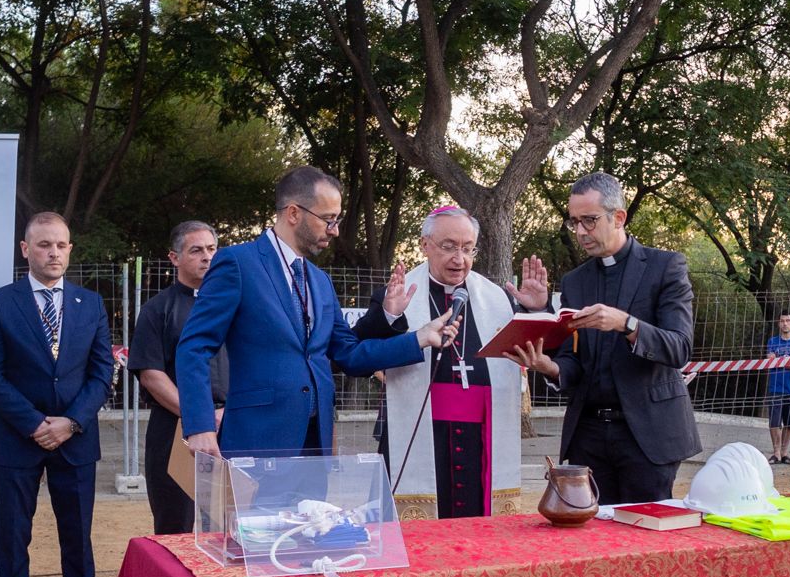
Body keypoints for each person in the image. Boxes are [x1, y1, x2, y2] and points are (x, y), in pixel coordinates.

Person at [176, 165, 458, 458]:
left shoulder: (320, 281)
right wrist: (200, 425)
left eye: (337, 220)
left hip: (315, 447)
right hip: (256, 442)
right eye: (328, 219)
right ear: (293, 213)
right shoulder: (236, 263)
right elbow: (195, 346)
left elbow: (349, 354)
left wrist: (420, 338)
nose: (335, 230)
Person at [506, 171, 700, 505]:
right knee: (591, 531)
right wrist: (548, 364)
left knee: (643, 531)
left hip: (648, 434)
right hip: (588, 436)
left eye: (590, 220)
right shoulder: (575, 281)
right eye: (574, 222)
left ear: (618, 217)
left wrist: (627, 324)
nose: (581, 231)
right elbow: (573, 361)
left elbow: (679, 348)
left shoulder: (665, 267)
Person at [0, 212, 114, 577]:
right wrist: (37, 424)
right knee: (13, 538)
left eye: (61, 245)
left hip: (76, 440)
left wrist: (70, 423)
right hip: (18, 439)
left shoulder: (90, 304)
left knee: (77, 536)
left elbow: (101, 373)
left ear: (70, 249)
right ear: (25, 250)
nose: (53, 253)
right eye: (44, 245)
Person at [350, 206, 550, 519]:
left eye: (468, 249)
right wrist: (388, 315)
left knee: (479, 531)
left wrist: (537, 310)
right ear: (424, 245)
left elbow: (537, 351)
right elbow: (356, 358)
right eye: (449, 247)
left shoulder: (497, 298)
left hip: (481, 443)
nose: (460, 259)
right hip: (421, 435)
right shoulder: (396, 295)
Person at [127, 221, 227, 534]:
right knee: (174, 527)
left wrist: (229, 412)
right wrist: (200, 417)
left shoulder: (236, 307)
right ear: (174, 258)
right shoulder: (157, 310)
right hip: (174, 430)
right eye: (196, 250)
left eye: (211, 249)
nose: (207, 257)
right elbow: (151, 375)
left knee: (229, 528)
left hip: (231, 425)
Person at [765, 310, 790, 464]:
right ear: (778, 324)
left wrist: (779, 360)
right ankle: (776, 452)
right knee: (774, 422)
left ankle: (784, 452)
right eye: (782, 321)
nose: (785, 323)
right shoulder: (772, 341)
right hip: (775, 387)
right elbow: (770, 362)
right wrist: (788, 361)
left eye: (788, 320)